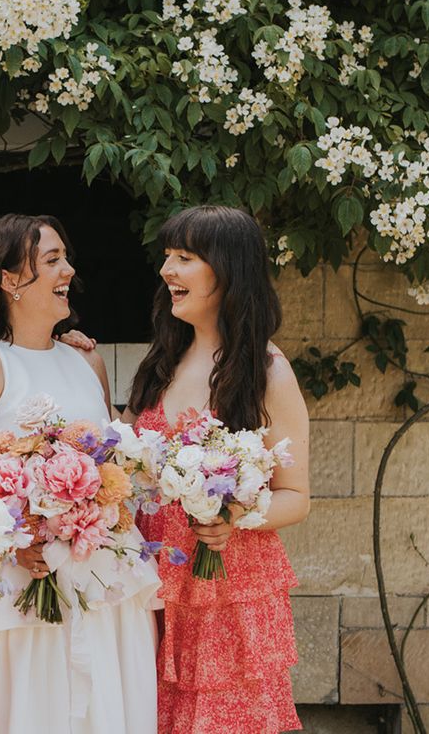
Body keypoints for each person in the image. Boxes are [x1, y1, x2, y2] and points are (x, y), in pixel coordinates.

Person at [0, 214, 161, 734]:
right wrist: (20, 537)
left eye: (65, 258)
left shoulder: (87, 360)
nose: (69, 271)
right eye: (52, 260)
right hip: (20, 580)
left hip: (100, 573)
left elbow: (111, 466)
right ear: (9, 280)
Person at [126, 204, 310, 734]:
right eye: (167, 258)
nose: (167, 272)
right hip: (153, 579)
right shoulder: (161, 362)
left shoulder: (266, 371)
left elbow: (295, 495)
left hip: (228, 587)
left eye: (184, 258)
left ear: (227, 269)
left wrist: (236, 517)